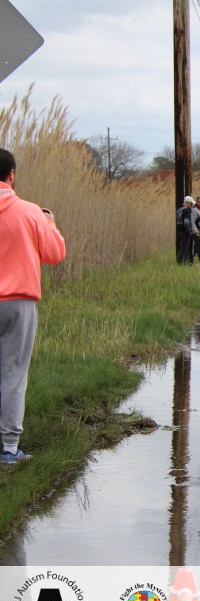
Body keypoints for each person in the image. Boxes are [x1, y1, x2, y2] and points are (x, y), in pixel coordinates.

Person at [0, 148, 67, 464]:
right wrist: (50, 223)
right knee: (13, 373)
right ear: (11, 175)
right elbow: (55, 253)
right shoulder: (30, 212)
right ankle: (9, 448)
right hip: (19, 302)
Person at [176, 195, 195, 264]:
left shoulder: (179, 210)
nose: (192, 205)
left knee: (180, 247)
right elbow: (186, 222)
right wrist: (189, 231)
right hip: (185, 232)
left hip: (179, 231)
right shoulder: (186, 210)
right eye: (191, 203)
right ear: (189, 203)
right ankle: (182, 262)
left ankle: (179, 261)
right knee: (184, 248)